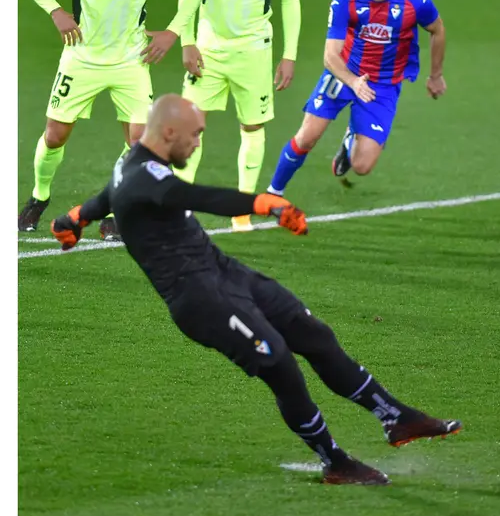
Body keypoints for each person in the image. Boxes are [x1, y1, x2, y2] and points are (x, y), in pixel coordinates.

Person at [50, 94, 461, 485]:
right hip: (201, 301)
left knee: (313, 336)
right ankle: (335, 462)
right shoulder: (146, 175)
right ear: (169, 133)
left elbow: (104, 198)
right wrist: (267, 204)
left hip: (224, 272)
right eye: (195, 134)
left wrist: (71, 219)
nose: (198, 143)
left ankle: (395, 417)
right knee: (281, 366)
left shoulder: (132, 165)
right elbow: (197, 196)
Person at [17, 0, 205, 241]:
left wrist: (172, 32)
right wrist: (56, 11)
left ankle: (118, 207)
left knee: (139, 143)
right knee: (55, 136)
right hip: (81, 56)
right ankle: (39, 196)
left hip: (131, 60)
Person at [175, 0, 302, 232]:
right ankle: (181, 204)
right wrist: (187, 40)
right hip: (208, 46)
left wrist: (289, 54)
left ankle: (242, 208)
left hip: (254, 50)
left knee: (253, 125)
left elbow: (290, 1)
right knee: (190, 126)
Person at [267, 0, 446, 194]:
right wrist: (353, 82)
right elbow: (330, 56)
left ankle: (352, 136)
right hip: (344, 73)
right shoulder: (346, 0)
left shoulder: (414, 1)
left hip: (383, 86)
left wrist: (435, 75)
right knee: (307, 137)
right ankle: (274, 193)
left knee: (362, 166)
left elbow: (438, 30)